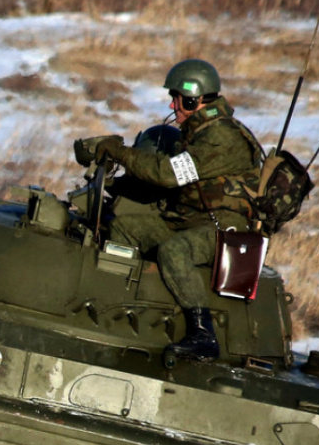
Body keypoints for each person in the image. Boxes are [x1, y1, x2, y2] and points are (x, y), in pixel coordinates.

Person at [73, 59, 263, 363]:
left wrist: (119, 152)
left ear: (194, 100)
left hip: (222, 228)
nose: (172, 105)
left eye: (178, 99)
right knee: (125, 228)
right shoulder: (198, 132)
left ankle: (203, 335)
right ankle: (116, 308)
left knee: (174, 251)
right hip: (186, 220)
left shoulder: (223, 138)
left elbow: (168, 173)